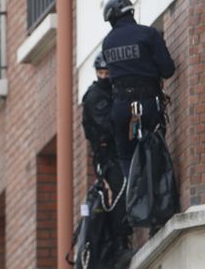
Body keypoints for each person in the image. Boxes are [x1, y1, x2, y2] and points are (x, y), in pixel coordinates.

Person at [102, 0, 176, 177]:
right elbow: (168, 70)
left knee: (125, 155)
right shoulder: (148, 34)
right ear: (131, 13)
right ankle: (160, 192)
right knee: (157, 147)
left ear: (112, 19)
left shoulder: (107, 43)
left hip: (121, 107)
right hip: (148, 102)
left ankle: (132, 196)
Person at [82, 52, 133, 268]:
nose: (104, 76)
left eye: (107, 72)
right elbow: (105, 127)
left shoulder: (114, 90)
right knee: (118, 192)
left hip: (118, 150)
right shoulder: (94, 96)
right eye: (101, 73)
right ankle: (119, 246)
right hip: (107, 155)